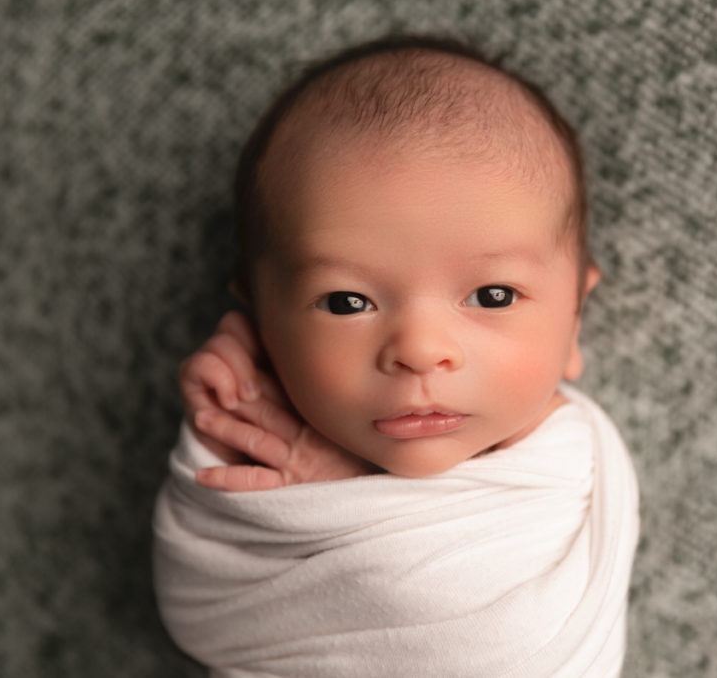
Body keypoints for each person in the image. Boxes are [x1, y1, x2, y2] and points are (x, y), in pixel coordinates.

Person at [153, 35, 639, 677]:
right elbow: (197, 608)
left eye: (493, 295)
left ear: (574, 319)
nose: (420, 351)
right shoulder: (254, 442)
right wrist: (223, 422)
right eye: (347, 302)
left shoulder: (567, 466)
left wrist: (338, 490)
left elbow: (494, 645)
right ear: (263, 325)